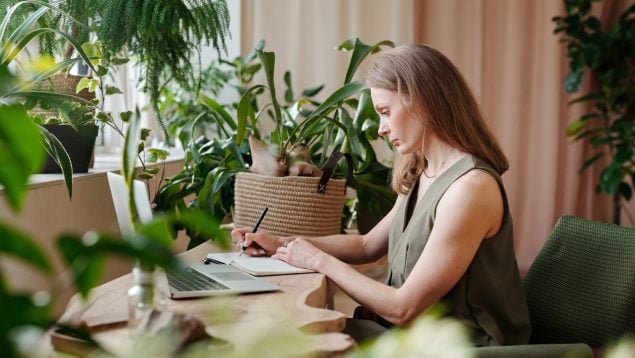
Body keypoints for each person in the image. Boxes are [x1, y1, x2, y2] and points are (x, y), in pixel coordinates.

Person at [231, 43, 531, 346]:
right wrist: (282, 244)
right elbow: (366, 245)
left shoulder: (470, 189)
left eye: (385, 112)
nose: (381, 129)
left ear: (423, 101)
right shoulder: (424, 171)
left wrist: (318, 261)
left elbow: (404, 308)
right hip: (411, 337)